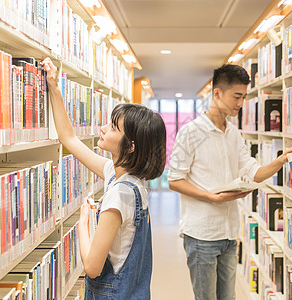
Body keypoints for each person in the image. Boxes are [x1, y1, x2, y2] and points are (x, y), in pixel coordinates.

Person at [168, 64, 292, 300]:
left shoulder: (234, 134)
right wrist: (211, 196)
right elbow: (175, 180)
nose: (240, 104)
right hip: (201, 235)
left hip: (229, 234)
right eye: (236, 97)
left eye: (243, 97)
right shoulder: (190, 133)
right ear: (217, 93)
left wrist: (280, 161)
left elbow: (253, 172)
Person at [42, 58, 166, 299]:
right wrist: (54, 87)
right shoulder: (131, 180)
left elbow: (92, 267)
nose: (103, 128)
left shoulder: (119, 196)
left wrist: (83, 221)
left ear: (129, 146)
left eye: (112, 127)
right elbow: (69, 139)